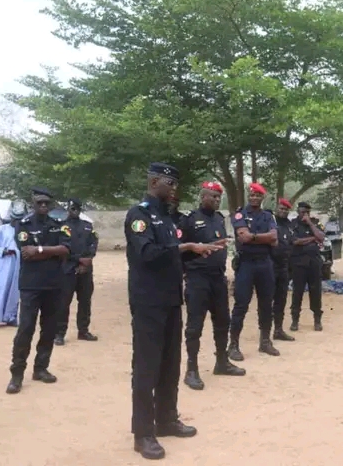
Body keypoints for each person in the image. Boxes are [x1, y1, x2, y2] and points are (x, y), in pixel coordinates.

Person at [126, 162, 221, 460]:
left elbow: (173, 258)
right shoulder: (139, 215)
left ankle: (166, 419)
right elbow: (146, 254)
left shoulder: (167, 218)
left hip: (170, 300)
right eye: (170, 182)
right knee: (147, 366)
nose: (174, 188)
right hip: (148, 302)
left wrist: (195, 252)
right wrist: (184, 248)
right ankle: (143, 434)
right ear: (154, 181)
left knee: (170, 363)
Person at [180, 181, 245, 391]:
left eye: (219, 197)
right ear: (202, 197)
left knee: (222, 322)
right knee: (194, 326)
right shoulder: (189, 220)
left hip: (218, 279)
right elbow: (177, 249)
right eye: (213, 196)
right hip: (198, 279)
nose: (217, 200)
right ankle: (192, 370)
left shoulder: (219, 219)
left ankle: (222, 361)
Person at [6, 188, 72, 395]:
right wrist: (52, 251)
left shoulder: (59, 225)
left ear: (51, 205)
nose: (43, 206)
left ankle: (41, 368)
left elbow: (66, 250)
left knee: (49, 329)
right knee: (25, 328)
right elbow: (26, 252)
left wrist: (41, 250)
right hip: (31, 286)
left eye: (47, 203)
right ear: (32, 203)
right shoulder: (23, 225)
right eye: (39, 203)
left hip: (54, 285)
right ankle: (17, 374)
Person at [228, 183, 280, 361]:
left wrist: (254, 237)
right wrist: (262, 238)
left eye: (258, 195)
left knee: (266, 304)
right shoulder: (240, 214)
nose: (255, 198)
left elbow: (274, 239)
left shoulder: (268, 216)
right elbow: (243, 236)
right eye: (252, 195)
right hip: (246, 264)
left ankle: (265, 341)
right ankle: (233, 345)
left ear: (262, 198)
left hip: (265, 264)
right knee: (241, 305)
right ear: (248, 196)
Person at [55, 198, 99, 345]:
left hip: (86, 270)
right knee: (63, 302)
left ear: (80, 210)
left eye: (76, 208)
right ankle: (59, 333)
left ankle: (83, 331)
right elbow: (63, 247)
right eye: (70, 208)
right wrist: (79, 260)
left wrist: (89, 258)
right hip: (68, 269)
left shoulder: (87, 226)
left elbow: (93, 242)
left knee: (85, 301)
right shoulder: (61, 227)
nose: (73, 211)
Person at [0, 201, 27, 330]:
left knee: (14, 292)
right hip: (3, 265)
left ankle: (10, 317)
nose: (17, 221)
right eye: (16, 219)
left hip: (17, 265)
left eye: (20, 219)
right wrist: (3, 251)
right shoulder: (1, 229)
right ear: (11, 217)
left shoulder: (23, 232)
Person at [289, 201, 326, 331]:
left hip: (314, 263)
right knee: (297, 292)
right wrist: (312, 239)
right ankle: (295, 320)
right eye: (302, 212)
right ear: (298, 212)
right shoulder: (293, 224)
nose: (305, 214)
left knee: (316, 292)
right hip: (299, 263)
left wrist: (310, 224)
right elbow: (296, 241)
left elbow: (321, 237)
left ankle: (317, 320)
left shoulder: (315, 222)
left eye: (307, 212)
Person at [272, 198, 295, 340]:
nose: (283, 211)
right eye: (281, 208)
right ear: (277, 209)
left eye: (286, 209)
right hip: (270, 266)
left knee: (281, 300)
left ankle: (278, 330)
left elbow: (292, 243)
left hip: (284, 267)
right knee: (267, 300)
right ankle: (265, 333)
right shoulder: (271, 223)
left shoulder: (289, 225)